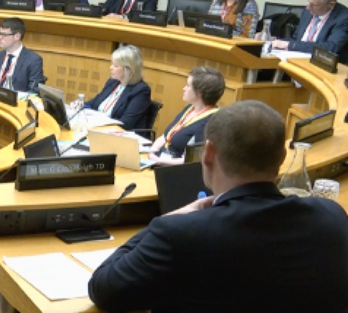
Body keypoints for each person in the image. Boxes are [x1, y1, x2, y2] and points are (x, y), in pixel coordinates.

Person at [89, 100, 348, 313]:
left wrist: (167, 219)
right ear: (282, 158)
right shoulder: (332, 217)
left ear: (208, 153)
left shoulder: (178, 234)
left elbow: (103, 289)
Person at [149, 66, 225, 166]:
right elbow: (166, 136)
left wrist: (159, 161)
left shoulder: (210, 122)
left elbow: (191, 160)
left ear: (199, 93)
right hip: (158, 159)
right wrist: (151, 152)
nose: (184, 88)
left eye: (188, 85)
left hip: (173, 168)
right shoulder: (190, 108)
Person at [268, 0, 348, 64]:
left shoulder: (343, 18)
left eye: (314, 4)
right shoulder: (307, 12)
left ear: (331, 4)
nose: (308, 7)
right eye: (308, 2)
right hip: (295, 60)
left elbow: (331, 47)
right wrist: (272, 39)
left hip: (321, 65)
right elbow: (296, 39)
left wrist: (290, 45)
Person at [84, 45, 151, 130]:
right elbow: (93, 103)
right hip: (97, 129)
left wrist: (99, 125)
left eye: (115, 66)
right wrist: (80, 105)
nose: (110, 67)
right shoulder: (112, 82)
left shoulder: (141, 91)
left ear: (128, 70)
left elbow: (126, 123)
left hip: (119, 134)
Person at [0, 17, 44, 92]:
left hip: (15, 98)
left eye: (4, 35)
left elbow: (34, 91)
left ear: (17, 36)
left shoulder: (33, 60)